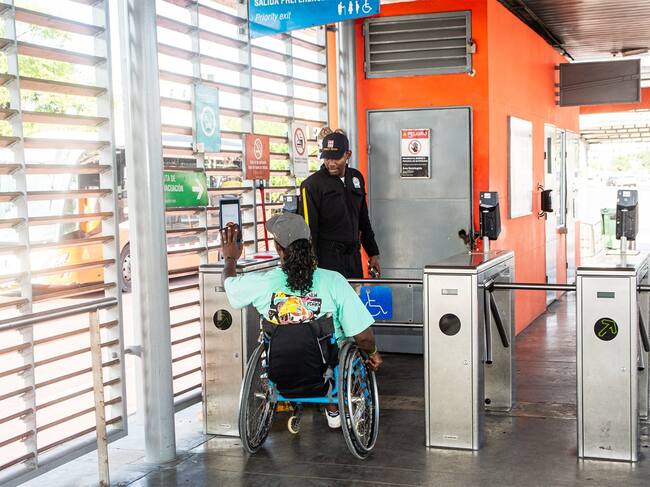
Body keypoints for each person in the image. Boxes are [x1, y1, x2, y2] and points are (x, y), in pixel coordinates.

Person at [220, 213, 382, 429]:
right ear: (310, 243)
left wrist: (231, 258)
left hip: (280, 365)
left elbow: (229, 284)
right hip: (324, 367)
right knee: (339, 345)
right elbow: (363, 337)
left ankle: (317, 402)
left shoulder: (263, 283)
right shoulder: (333, 280)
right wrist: (372, 353)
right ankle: (333, 406)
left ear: (278, 249)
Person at [299, 131, 380, 279]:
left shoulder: (356, 178)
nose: (331, 163)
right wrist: (310, 266)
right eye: (327, 158)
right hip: (327, 262)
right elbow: (308, 231)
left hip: (353, 259)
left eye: (336, 158)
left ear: (348, 154)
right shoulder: (311, 185)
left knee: (354, 292)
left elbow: (363, 221)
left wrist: (373, 253)